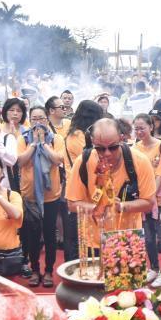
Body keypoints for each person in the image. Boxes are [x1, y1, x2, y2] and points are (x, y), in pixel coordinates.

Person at [65, 118, 156, 253]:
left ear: (121, 138)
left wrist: (121, 206)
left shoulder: (140, 161)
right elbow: (72, 204)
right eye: (100, 148)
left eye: (113, 147)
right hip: (94, 241)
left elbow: (149, 203)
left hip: (128, 240)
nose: (107, 153)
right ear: (92, 141)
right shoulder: (83, 162)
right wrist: (98, 207)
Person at [16, 106, 64, 287]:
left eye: (41, 119)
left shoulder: (56, 138)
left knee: (50, 235)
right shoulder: (23, 139)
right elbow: (20, 161)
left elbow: (58, 160)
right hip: (30, 196)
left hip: (51, 196)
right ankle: (35, 269)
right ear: (29, 120)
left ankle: (49, 270)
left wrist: (43, 143)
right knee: (32, 236)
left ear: (47, 120)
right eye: (34, 119)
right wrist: (34, 143)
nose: (38, 122)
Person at [61, 100, 104, 261]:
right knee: (79, 242)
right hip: (81, 194)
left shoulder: (73, 134)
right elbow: (95, 158)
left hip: (82, 192)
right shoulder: (79, 136)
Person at [133, 113, 161, 283]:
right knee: (148, 237)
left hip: (160, 199)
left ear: (151, 127)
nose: (139, 131)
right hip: (143, 199)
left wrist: (151, 194)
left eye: (142, 128)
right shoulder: (134, 148)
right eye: (136, 129)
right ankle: (154, 268)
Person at [1, 98, 27, 191]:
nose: (15, 113)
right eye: (12, 110)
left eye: (19, 111)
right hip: (3, 174)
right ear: (5, 112)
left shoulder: (26, 131)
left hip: (22, 174)